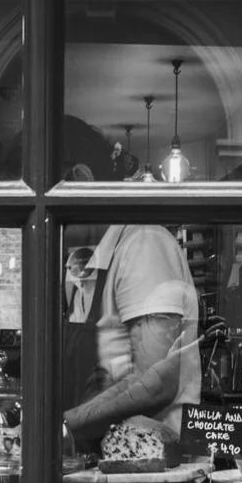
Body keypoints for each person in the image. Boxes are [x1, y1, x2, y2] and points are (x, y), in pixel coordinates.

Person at [54, 117, 202, 453]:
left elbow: (156, 383)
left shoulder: (142, 246)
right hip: (99, 463)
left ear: (80, 180)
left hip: (145, 472)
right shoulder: (84, 261)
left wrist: (56, 427)